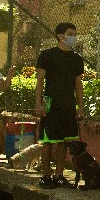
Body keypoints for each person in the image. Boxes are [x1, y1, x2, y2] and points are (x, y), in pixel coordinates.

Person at [35, 22, 84, 189]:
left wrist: (81, 107)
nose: (73, 37)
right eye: (70, 34)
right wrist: (38, 103)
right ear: (60, 36)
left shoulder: (76, 58)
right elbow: (40, 81)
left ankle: (59, 175)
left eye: (74, 34)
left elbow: (78, 84)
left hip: (68, 105)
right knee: (48, 141)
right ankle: (45, 175)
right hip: (51, 104)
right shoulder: (46, 55)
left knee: (63, 141)